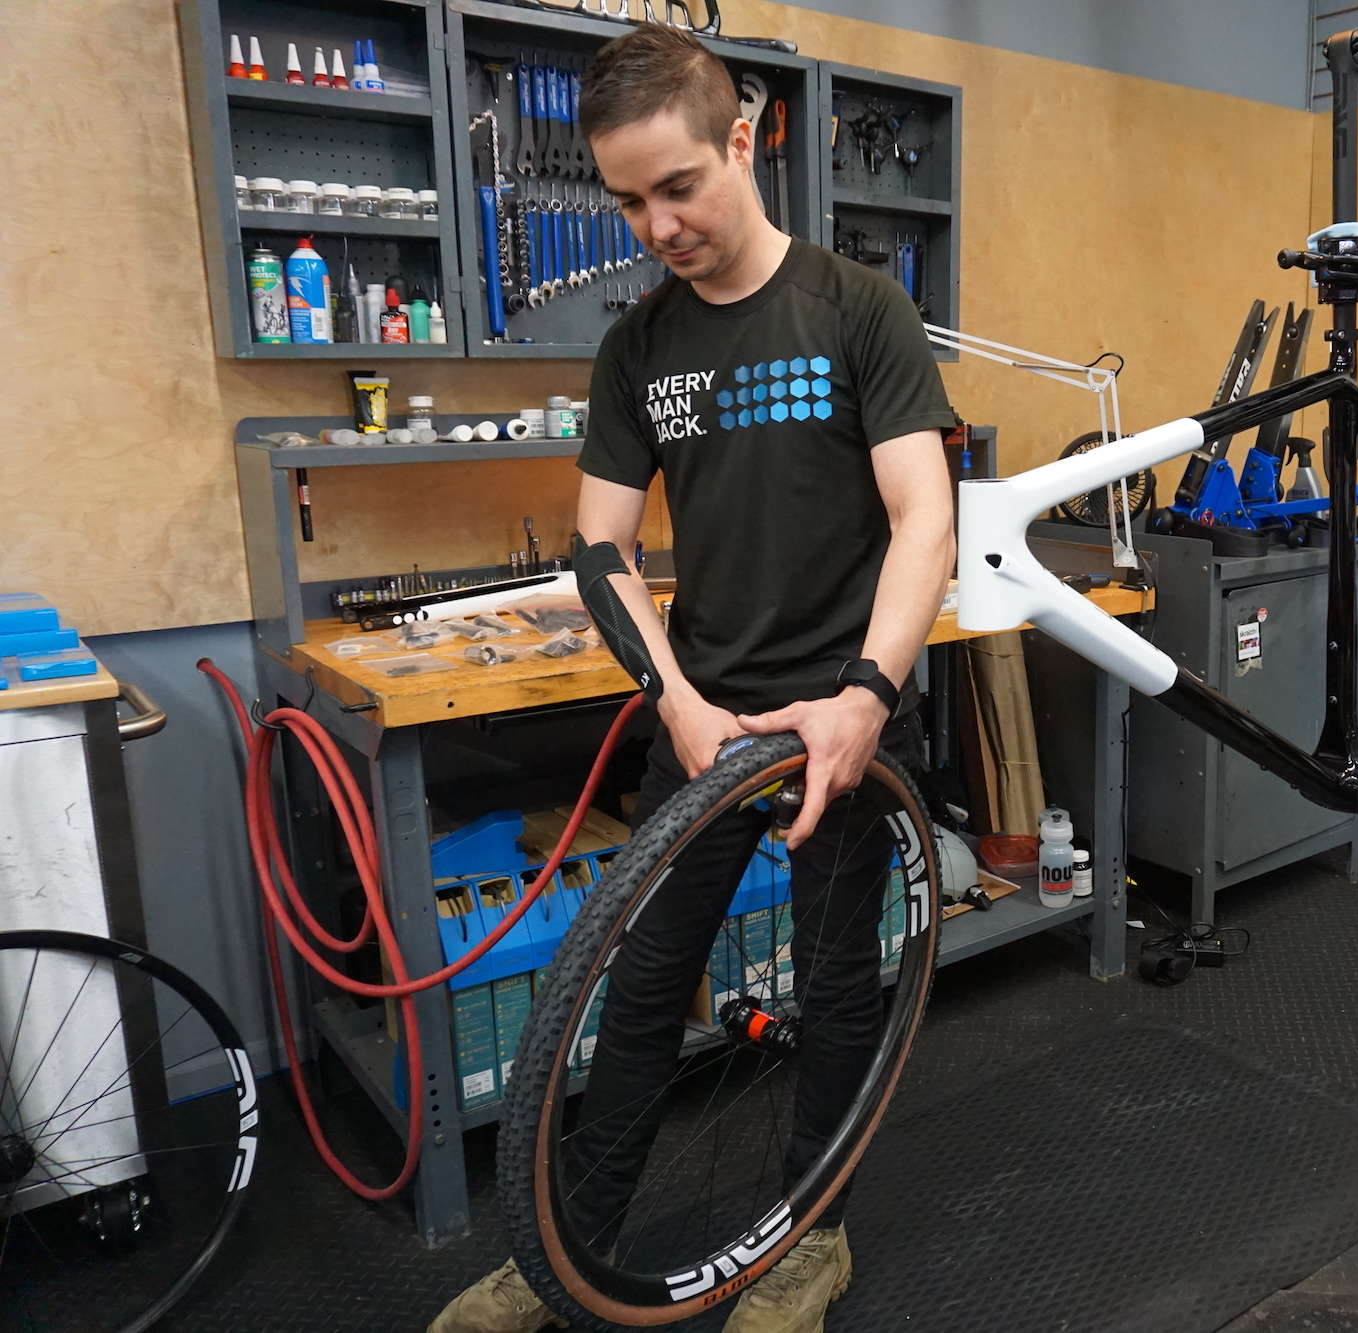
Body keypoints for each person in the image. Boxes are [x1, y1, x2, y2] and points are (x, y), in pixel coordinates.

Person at [429, 21, 955, 1333]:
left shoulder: (859, 309)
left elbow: (925, 519)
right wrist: (676, 699)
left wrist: (866, 694)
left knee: (838, 986)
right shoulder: (639, 348)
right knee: (642, 985)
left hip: (845, 719)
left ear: (743, 140)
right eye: (628, 202)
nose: (656, 226)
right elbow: (599, 546)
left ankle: (809, 1244)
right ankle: (564, 1255)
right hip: (706, 719)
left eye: (677, 186)